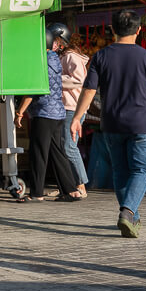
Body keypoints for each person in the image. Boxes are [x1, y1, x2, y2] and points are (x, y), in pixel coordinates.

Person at [71, 9, 146, 238]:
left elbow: (89, 90)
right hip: (140, 123)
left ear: (112, 30)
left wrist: (77, 117)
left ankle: (131, 217)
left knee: (121, 170)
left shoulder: (101, 56)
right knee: (143, 169)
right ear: (138, 30)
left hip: (112, 123)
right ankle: (127, 212)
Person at [15, 24, 82, 203]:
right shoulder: (53, 58)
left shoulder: (40, 61)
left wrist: (20, 112)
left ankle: (36, 193)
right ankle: (71, 190)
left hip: (44, 113)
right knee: (57, 152)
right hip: (58, 113)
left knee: (39, 153)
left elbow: (33, 90)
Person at [57, 24, 90, 198]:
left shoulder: (71, 56)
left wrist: (55, 79)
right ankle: (69, 185)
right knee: (65, 147)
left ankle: (80, 185)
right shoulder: (66, 56)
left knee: (69, 147)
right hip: (67, 107)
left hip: (72, 107)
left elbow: (78, 79)